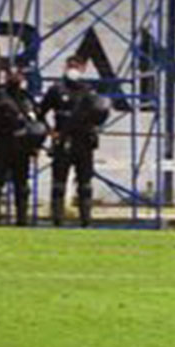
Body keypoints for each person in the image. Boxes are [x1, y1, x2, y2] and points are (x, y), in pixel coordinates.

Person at [39, 56, 109, 228]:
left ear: (84, 68)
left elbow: (99, 114)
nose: (73, 68)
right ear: (65, 66)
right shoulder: (56, 90)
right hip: (64, 140)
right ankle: (57, 219)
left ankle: (86, 220)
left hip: (84, 141)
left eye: (77, 66)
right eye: (70, 65)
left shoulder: (88, 91)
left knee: (85, 182)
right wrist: (50, 131)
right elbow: (40, 112)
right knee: (59, 182)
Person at [0, 61, 42, 227]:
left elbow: (36, 121)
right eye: (11, 74)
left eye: (17, 74)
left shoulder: (26, 97)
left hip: (22, 147)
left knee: (22, 185)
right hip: (3, 144)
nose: (14, 78)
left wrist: (35, 145)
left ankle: (22, 220)